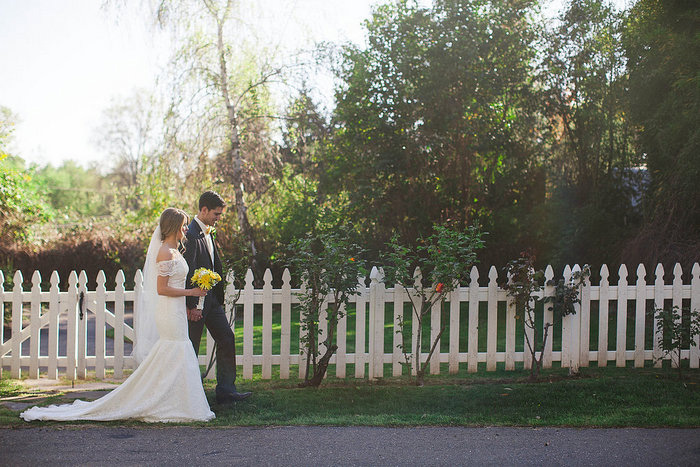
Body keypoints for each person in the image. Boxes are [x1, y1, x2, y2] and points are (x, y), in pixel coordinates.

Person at [20, 208, 215, 422]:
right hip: (168, 310)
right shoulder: (165, 252)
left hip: (176, 309)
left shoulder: (176, 250)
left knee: (175, 350)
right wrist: (191, 292)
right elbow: (162, 289)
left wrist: (191, 294)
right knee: (175, 347)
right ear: (172, 226)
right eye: (183, 225)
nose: (186, 229)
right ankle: (164, 400)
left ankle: (175, 400)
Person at [185, 191, 251, 404]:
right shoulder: (191, 234)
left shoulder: (208, 232)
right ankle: (189, 394)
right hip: (197, 302)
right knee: (191, 347)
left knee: (226, 338)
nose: (218, 218)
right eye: (216, 213)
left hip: (212, 301)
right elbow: (189, 271)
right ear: (203, 210)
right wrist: (192, 305)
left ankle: (226, 391)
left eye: (220, 214)